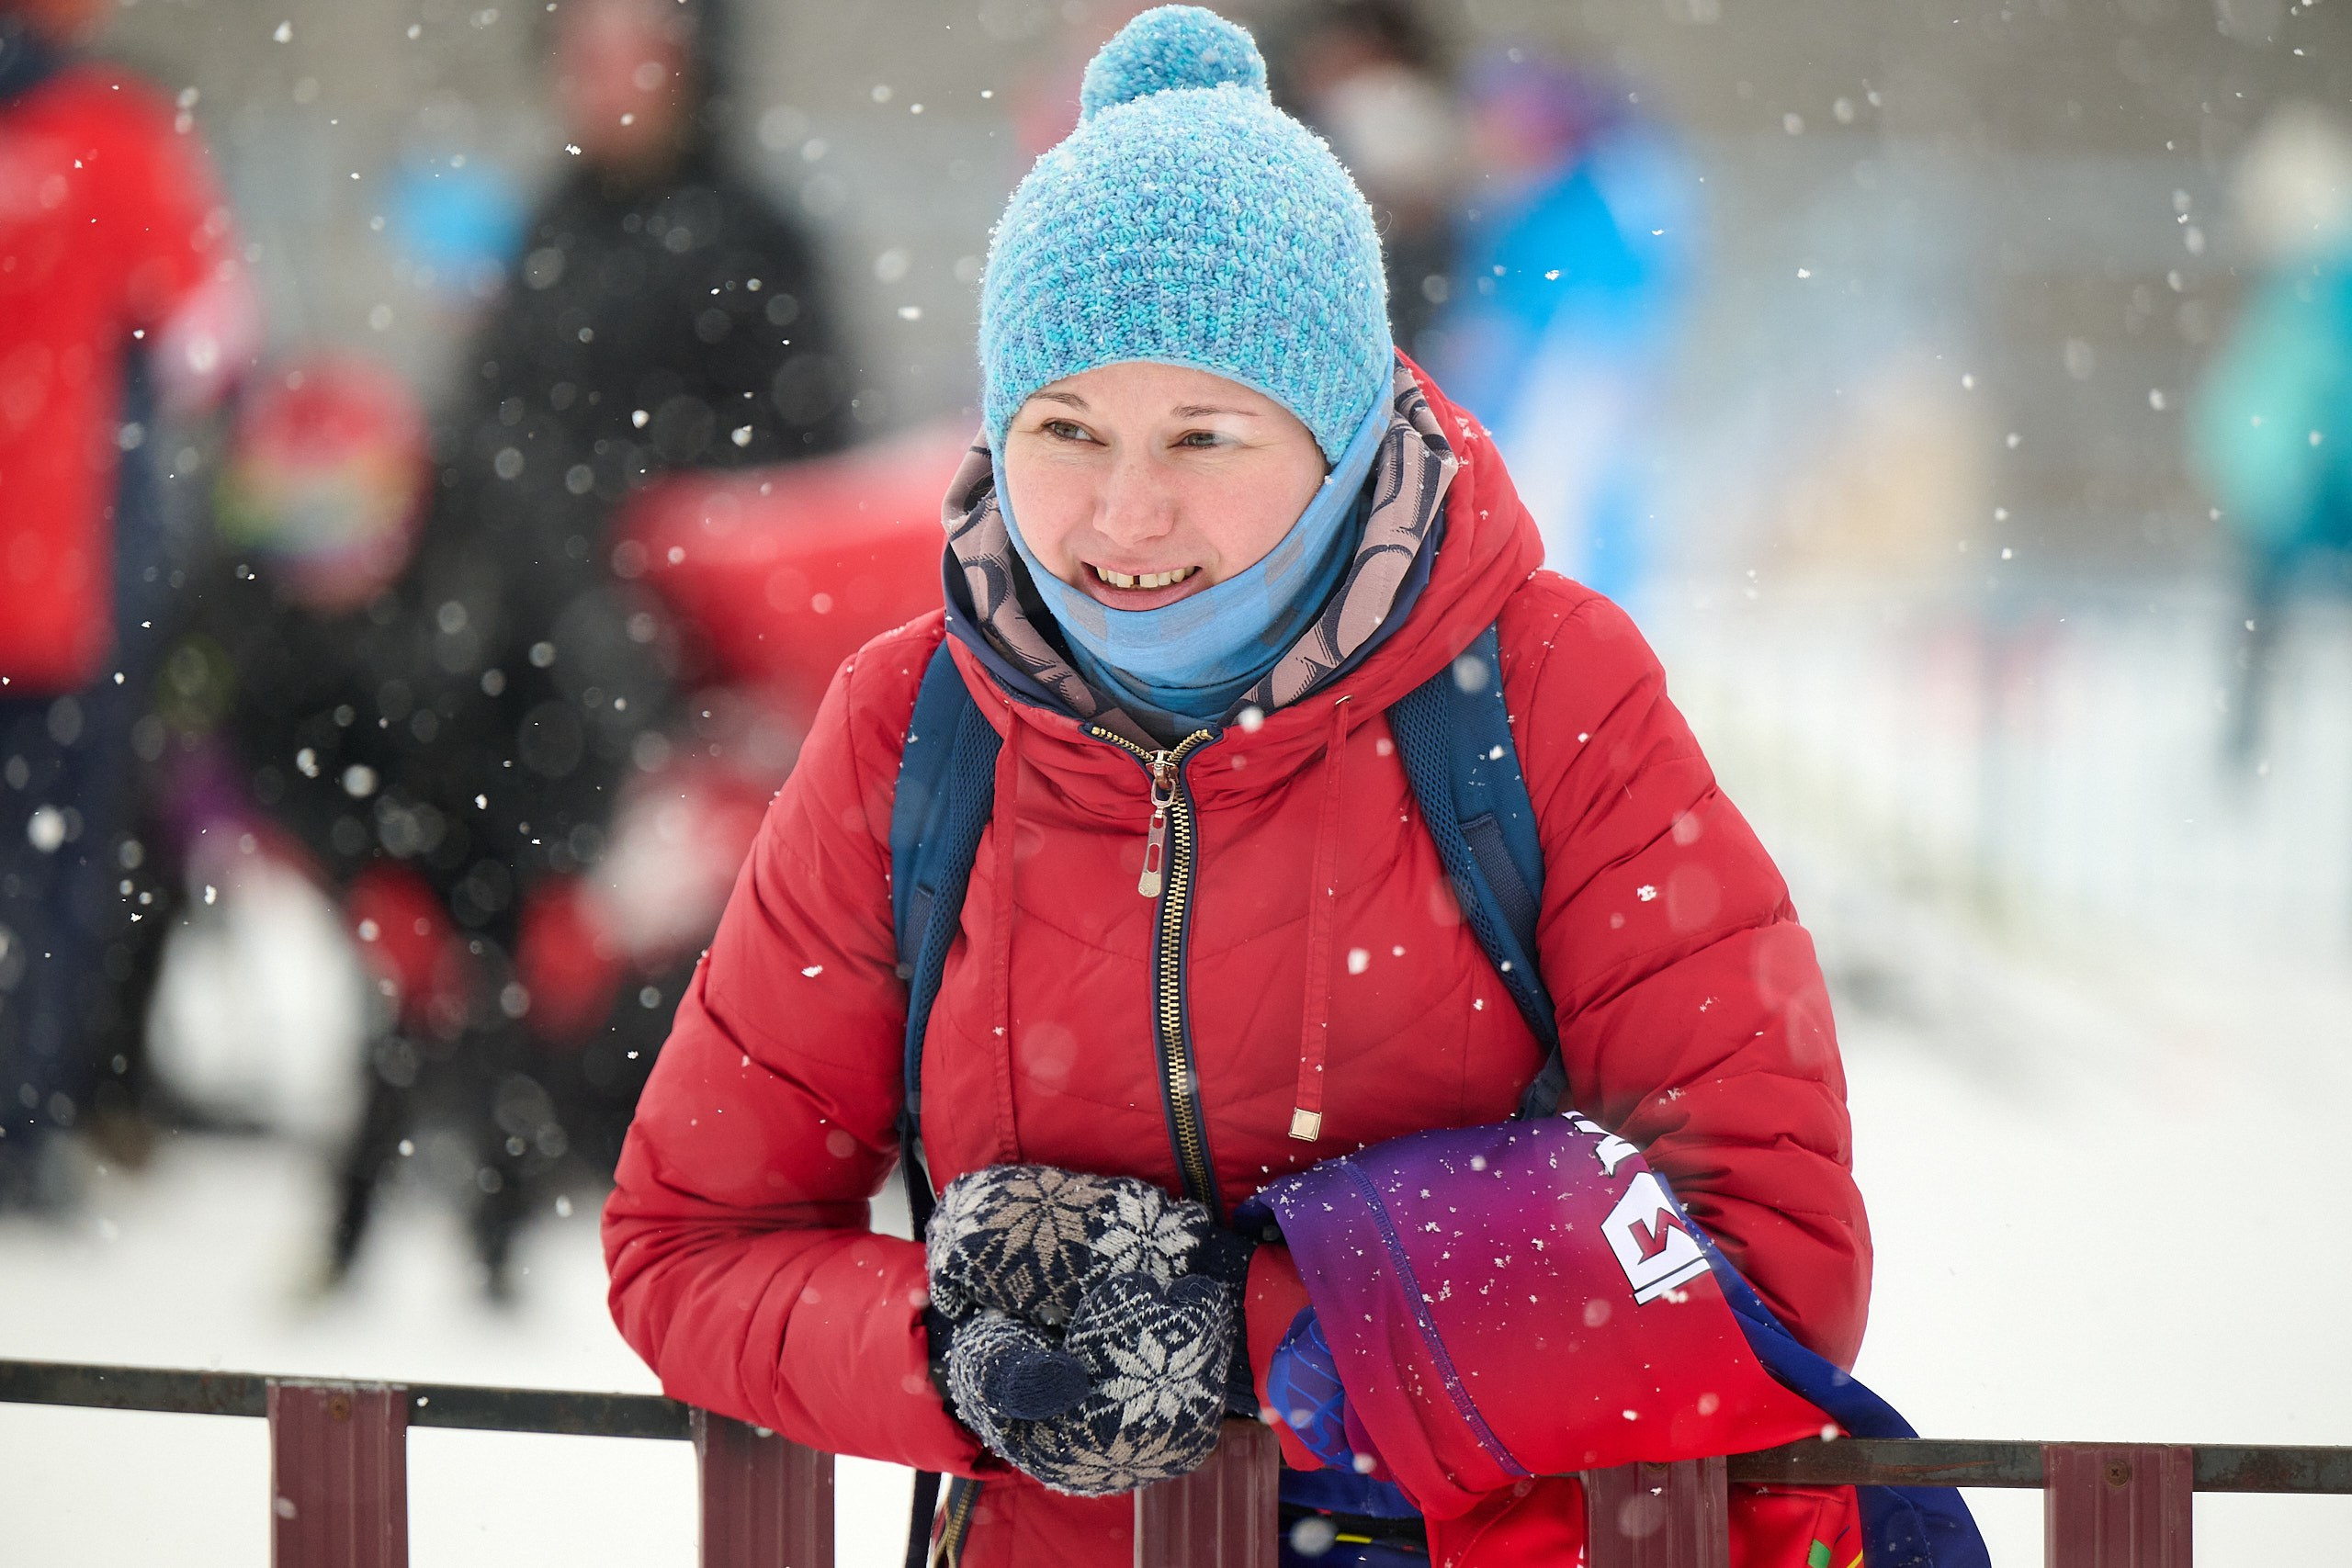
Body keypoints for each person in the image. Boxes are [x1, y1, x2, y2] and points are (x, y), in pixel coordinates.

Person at [605, 11, 1976, 1566]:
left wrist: (1245, 1327)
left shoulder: (1546, 691)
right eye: (1063, 429)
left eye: (1205, 431)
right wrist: (976, 1345)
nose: (1124, 511)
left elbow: (1760, 1256)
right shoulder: (910, 726)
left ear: (1336, 434)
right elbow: (685, 1246)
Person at [312, 0, 849, 1294]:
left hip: (667, 639)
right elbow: (478, 427)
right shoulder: (548, 227)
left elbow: (798, 448)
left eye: (632, 55)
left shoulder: (754, 234)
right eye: (583, 57)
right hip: (514, 642)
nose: (604, 84)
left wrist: (615, 510)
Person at [0, 0, 252, 1207]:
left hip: (54, 588)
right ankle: (26, 1123)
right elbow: (213, 336)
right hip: (54, 596)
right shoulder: (114, 133)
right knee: (51, 874)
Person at [1429, 51, 1695, 604]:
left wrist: (1487, 352)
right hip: (1557, 401)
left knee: (1561, 523)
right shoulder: (1559, 200)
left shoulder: (1574, 206)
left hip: (1561, 396)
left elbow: (1552, 320)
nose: (1487, 137)